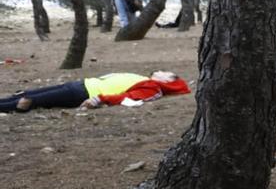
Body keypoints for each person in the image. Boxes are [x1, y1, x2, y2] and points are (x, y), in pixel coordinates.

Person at [0, 71, 190, 113]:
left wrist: (99, 99)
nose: (160, 71)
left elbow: (128, 97)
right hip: (80, 85)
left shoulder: (153, 88)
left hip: (82, 93)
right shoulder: (145, 79)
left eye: (166, 73)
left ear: (169, 80)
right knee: (24, 94)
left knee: (29, 100)